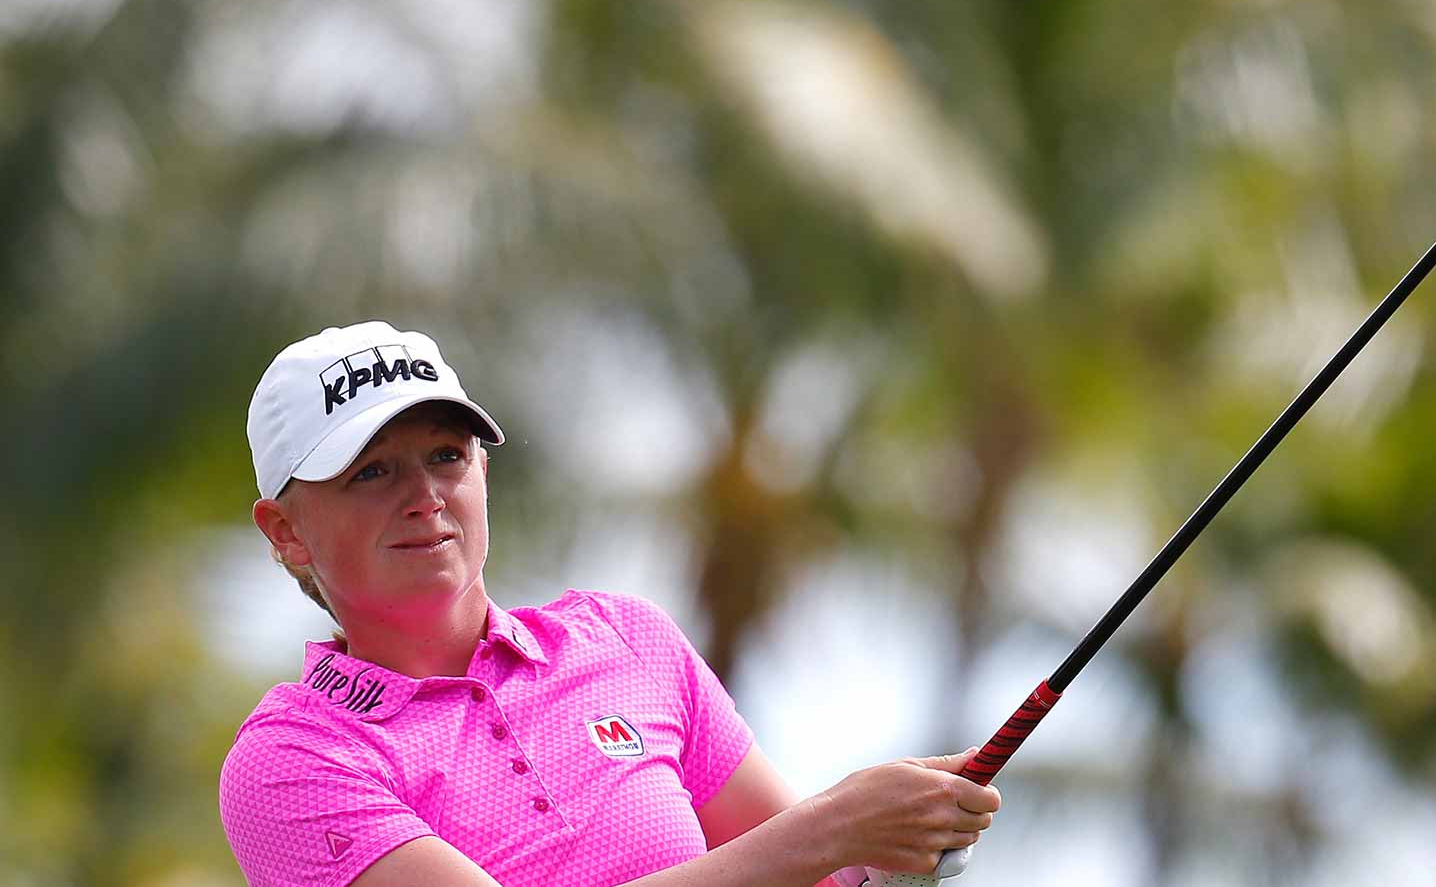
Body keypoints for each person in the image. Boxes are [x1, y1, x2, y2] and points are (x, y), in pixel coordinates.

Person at [219, 321, 1000, 886]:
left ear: (483, 473)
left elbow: (812, 874)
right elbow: (800, 845)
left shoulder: (626, 641)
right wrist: (836, 825)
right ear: (285, 530)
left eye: (447, 455)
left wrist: (883, 851)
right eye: (371, 472)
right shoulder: (292, 757)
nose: (425, 496)